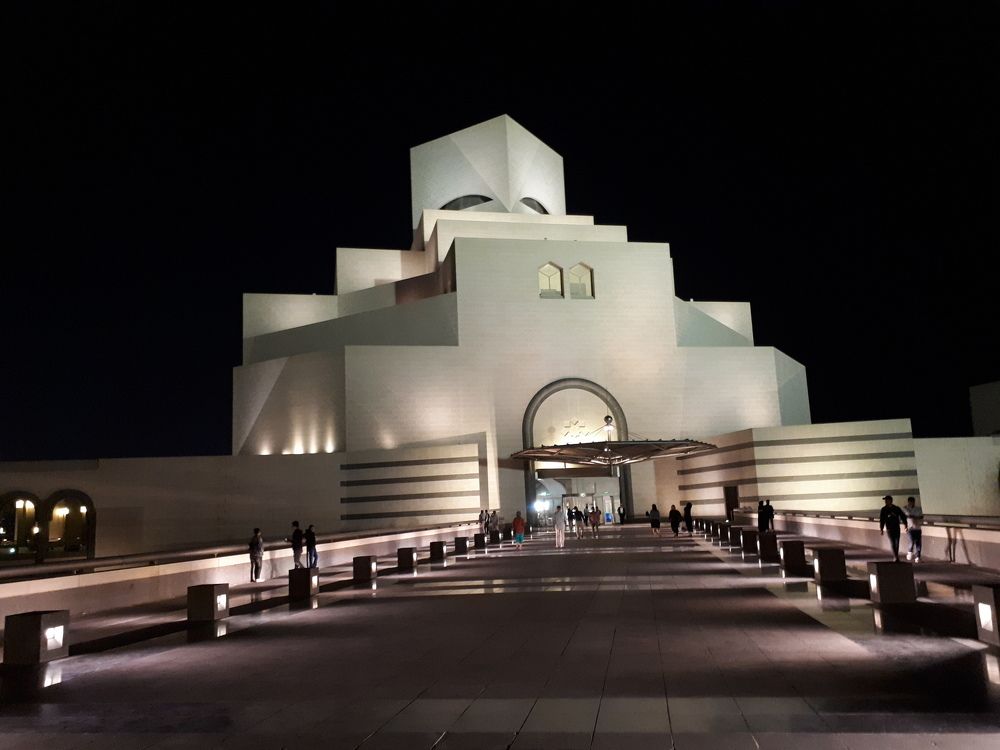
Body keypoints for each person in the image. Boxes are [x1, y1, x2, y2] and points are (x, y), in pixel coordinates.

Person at [879, 495, 909, 562]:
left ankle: (896, 555)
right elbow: (882, 519)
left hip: (896, 527)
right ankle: (895, 556)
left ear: (891, 501)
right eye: (885, 500)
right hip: (889, 528)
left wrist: (905, 525)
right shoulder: (883, 509)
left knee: (897, 542)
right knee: (892, 542)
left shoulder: (896, 508)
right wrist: (881, 529)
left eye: (887, 500)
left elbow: (902, 516)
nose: (885, 501)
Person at [903, 496, 924, 562]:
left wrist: (913, 517)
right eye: (910, 502)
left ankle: (918, 557)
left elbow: (921, 517)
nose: (911, 503)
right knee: (911, 541)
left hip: (918, 528)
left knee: (918, 543)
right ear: (908, 502)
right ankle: (910, 552)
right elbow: (906, 516)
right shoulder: (905, 509)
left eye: (912, 502)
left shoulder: (918, 509)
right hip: (910, 528)